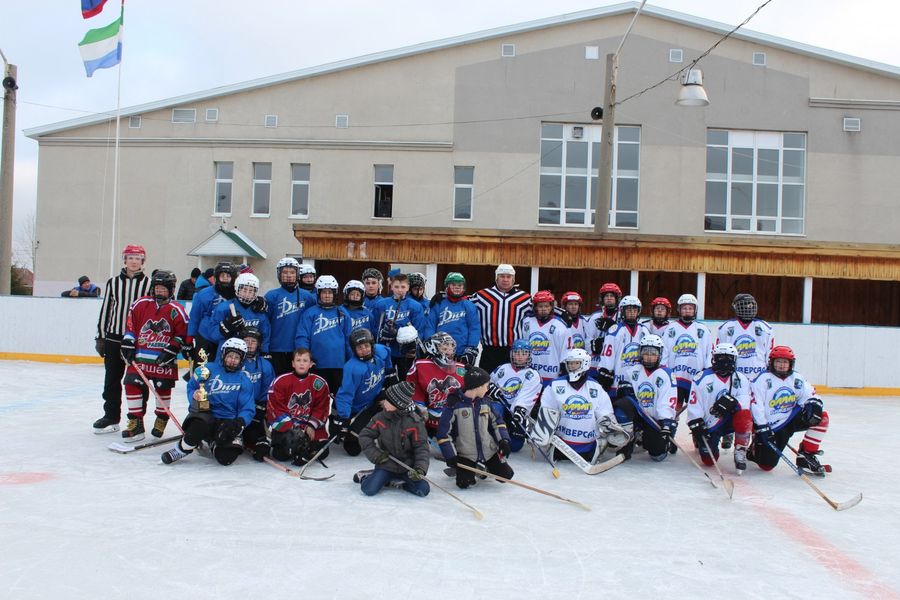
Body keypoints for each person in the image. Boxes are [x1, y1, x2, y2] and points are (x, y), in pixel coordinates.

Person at [117, 270, 189, 442]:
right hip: (140, 357)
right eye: (157, 288)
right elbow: (131, 326)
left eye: (163, 289)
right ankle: (136, 423)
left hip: (163, 360)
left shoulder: (177, 310)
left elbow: (182, 334)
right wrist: (128, 341)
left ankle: (161, 418)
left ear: (171, 290)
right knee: (131, 384)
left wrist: (172, 349)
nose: (159, 292)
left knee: (162, 389)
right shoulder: (140, 304)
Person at [161, 338, 256, 466]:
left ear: (242, 360)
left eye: (236, 357)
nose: (232, 360)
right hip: (206, 414)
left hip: (227, 421)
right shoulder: (207, 369)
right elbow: (192, 386)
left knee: (226, 458)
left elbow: (248, 408)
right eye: (230, 356)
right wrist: (193, 395)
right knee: (196, 430)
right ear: (223, 355)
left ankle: (212, 441)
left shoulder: (244, 380)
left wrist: (239, 422)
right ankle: (182, 449)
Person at [529, 348, 629, 463]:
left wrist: (612, 428)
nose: (571, 366)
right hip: (561, 445)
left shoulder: (596, 387)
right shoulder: (555, 385)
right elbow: (547, 413)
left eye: (576, 363)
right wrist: (542, 431)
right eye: (569, 363)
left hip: (588, 446)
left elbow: (605, 413)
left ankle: (599, 446)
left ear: (585, 363)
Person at [92, 244, 152, 434]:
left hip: (139, 340)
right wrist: (101, 337)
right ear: (124, 260)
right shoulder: (113, 282)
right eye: (130, 258)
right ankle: (111, 416)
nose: (134, 261)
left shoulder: (149, 284)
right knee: (111, 380)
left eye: (138, 258)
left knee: (138, 381)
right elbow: (106, 310)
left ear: (143, 262)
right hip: (114, 337)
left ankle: (137, 418)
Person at [748, 345, 828, 475]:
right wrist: (762, 427)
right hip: (772, 427)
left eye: (785, 362)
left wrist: (815, 404)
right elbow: (756, 406)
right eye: (778, 361)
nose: (781, 365)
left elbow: (810, 394)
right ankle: (753, 449)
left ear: (791, 364)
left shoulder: (797, 378)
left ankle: (807, 455)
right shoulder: (762, 379)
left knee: (821, 417)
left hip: (791, 418)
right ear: (771, 362)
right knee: (766, 466)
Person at [436, 366, 514, 489]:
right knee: (464, 483)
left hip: (488, 450)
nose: (487, 389)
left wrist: (503, 440)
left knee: (506, 475)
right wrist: (451, 455)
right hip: (466, 453)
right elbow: (443, 433)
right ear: (477, 386)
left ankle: (483, 467)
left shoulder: (485, 402)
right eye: (486, 386)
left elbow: (497, 422)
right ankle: (468, 469)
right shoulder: (454, 405)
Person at [716, 292, 775, 450]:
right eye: (744, 305)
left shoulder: (764, 328)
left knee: (756, 410)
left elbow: (770, 353)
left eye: (750, 305)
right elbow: (718, 352)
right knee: (730, 404)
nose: (748, 308)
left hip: (757, 377)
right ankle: (727, 432)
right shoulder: (726, 328)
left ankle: (755, 439)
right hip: (734, 377)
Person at [686, 343, 753, 473]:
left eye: (729, 358)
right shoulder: (702, 378)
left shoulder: (741, 379)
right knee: (709, 460)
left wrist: (732, 402)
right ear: (714, 358)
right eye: (720, 358)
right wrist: (696, 422)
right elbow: (695, 402)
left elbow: (745, 401)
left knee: (745, 416)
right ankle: (700, 440)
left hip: (730, 419)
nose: (725, 362)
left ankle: (740, 449)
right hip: (710, 422)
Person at [355, 381, 430, 497]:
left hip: (407, 467)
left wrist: (419, 469)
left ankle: (399, 484)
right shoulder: (380, 418)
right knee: (368, 489)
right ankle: (367, 476)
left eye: (388, 400)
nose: (384, 402)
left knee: (423, 489)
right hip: (386, 464)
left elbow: (422, 448)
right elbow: (365, 436)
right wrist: (376, 455)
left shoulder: (414, 423)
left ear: (398, 404)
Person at [332, 328, 398, 456]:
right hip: (355, 409)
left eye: (367, 346)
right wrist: (344, 417)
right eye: (359, 347)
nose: (364, 350)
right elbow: (345, 395)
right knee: (353, 449)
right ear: (354, 349)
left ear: (372, 345)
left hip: (374, 400)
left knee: (393, 404)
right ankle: (350, 430)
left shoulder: (380, 351)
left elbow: (387, 353)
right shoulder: (352, 368)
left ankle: (385, 435)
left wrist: (389, 370)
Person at [613, 335, 678, 462]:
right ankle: (627, 442)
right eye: (645, 352)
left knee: (657, 455)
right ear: (640, 353)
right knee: (621, 408)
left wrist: (665, 422)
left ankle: (664, 440)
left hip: (654, 420)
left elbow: (667, 401)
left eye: (653, 353)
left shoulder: (666, 374)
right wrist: (626, 391)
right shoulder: (633, 371)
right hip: (638, 415)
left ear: (659, 355)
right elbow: (623, 394)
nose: (649, 356)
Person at [266, 348, 332, 465]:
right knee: (280, 455)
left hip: (308, 427)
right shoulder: (281, 381)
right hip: (289, 428)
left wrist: (311, 425)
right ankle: (299, 450)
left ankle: (304, 450)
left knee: (323, 452)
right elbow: (275, 407)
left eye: (305, 360)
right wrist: (293, 429)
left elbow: (322, 408)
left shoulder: (319, 383)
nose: (301, 363)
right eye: (298, 360)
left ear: (311, 364)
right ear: (293, 363)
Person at [295, 275, 352, 393]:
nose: (327, 295)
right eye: (324, 292)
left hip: (338, 364)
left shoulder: (342, 313)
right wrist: (305, 359)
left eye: (330, 292)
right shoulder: (310, 313)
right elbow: (302, 337)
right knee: (317, 394)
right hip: (317, 364)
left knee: (337, 394)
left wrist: (351, 360)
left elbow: (348, 339)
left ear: (335, 294)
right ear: (318, 293)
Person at [471, 264, 531, 374]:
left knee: (511, 383)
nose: (505, 279)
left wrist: (563, 313)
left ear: (513, 279)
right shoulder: (482, 295)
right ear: (496, 278)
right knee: (486, 383)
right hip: (489, 350)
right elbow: (462, 303)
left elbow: (543, 308)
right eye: (502, 276)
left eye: (508, 277)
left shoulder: (524, 298)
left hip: (513, 351)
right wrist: (443, 296)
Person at [408, 332, 466, 437]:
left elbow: (465, 394)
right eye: (444, 347)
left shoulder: (461, 368)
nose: (449, 349)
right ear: (433, 348)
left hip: (450, 418)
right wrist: (420, 407)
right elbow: (414, 390)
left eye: (451, 346)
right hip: (427, 418)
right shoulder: (421, 366)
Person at [265, 258, 316, 375]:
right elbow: (265, 323)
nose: (289, 276)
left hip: (299, 350)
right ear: (279, 274)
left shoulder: (307, 296)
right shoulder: (271, 296)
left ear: (297, 274)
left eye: (292, 272)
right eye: (285, 272)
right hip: (276, 349)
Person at [370, 273, 426, 379]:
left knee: (405, 380)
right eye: (396, 287)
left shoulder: (415, 306)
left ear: (408, 287)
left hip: (406, 352)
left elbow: (419, 329)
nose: (400, 290)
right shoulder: (381, 304)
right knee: (386, 379)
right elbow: (374, 327)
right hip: (386, 350)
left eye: (403, 287)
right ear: (391, 287)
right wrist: (382, 333)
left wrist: (410, 339)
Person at [490, 339, 542, 453]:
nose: (519, 356)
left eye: (524, 353)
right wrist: (490, 388)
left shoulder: (532, 375)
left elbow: (527, 396)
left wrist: (520, 410)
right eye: (516, 353)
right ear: (511, 354)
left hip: (516, 412)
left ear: (529, 355)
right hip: (501, 406)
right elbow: (489, 381)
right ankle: (491, 435)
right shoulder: (503, 368)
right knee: (495, 408)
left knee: (515, 446)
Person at [662, 293, 712, 409]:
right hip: (676, 377)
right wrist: (666, 371)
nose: (687, 311)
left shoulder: (702, 329)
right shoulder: (671, 329)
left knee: (698, 409)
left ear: (695, 310)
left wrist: (706, 370)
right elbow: (664, 352)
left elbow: (709, 351)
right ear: (679, 310)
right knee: (673, 409)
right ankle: (670, 426)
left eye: (690, 308)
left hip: (696, 377)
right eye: (684, 308)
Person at [596, 295, 649, 394]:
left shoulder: (644, 330)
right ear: (622, 311)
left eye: (634, 310)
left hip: (638, 381)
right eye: (629, 310)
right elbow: (608, 355)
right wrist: (607, 370)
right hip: (617, 381)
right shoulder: (615, 330)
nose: (632, 313)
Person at [239, 326, 276, 461]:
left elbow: (269, 389)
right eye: (246, 340)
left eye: (253, 341)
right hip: (235, 410)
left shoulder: (265, 365)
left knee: (261, 447)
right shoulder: (234, 361)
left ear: (258, 344)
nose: (249, 344)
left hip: (254, 411)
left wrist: (261, 406)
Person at [427, 272, 480, 366]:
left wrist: (471, 348)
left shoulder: (469, 305)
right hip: (440, 350)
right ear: (447, 286)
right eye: (453, 285)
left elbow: (474, 328)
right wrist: (429, 344)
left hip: (462, 352)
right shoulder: (438, 304)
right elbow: (430, 325)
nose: (457, 287)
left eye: (460, 285)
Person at [188, 261, 237, 363]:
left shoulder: (237, 294)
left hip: (227, 338)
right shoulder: (204, 294)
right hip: (205, 338)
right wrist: (189, 339)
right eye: (222, 275)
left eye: (228, 276)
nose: (225, 278)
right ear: (216, 277)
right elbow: (194, 317)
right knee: (203, 371)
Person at [521, 290, 572, 386]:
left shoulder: (560, 325)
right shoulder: (526, 322)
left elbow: (566, 350)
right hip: (530, 374)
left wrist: (564, 367)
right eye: (540, 306)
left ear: (552, 307)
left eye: (546, 306)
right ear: (535, 307)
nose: (543, 309)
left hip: (552, 374)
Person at [210, 272, 271, 353]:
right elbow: (212, 334)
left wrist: (264, 352)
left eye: (251, 291)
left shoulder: (259, 310)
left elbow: (265, 334)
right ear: (237, 288)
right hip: (229, 356)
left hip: (251, 355)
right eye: (244, 290)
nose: (247, 294)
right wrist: (226, 327)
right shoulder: (224, 308)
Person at [584, 282, 623, 375]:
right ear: (602, 299)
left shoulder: (622, 316)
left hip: (615, 363)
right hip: (595, 363)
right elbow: (588, 339)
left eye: (611, 296)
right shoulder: (595, 317)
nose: (609, 298)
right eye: (606, 296)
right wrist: (594, 345)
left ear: (617, 299)